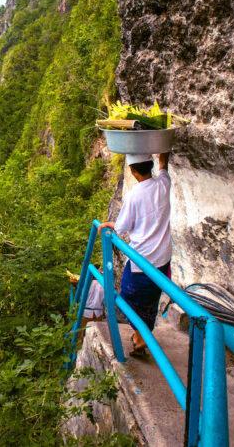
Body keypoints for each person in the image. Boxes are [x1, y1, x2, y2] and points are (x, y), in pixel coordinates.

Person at [98, 152, 172, 356]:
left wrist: (107, 224)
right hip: (163, 259)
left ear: (132, 171)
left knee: (129, 297)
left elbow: (121, 228)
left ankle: (140, 336)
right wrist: (163, 157)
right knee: (152, 298)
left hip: (143, 260)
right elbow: (164, 169)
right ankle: (141, 338)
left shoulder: (134, 195)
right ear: (150, 165)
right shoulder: (163, 184)